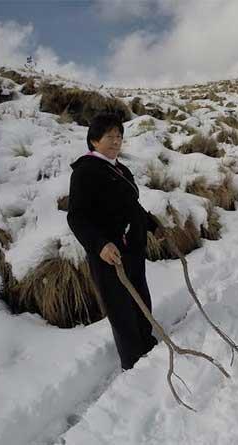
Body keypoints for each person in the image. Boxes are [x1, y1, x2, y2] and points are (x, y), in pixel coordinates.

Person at [67, 113, 162, 370]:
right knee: (120, 309)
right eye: (109, 136)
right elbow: (76, 217)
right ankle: (133, 362)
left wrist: (152, 225)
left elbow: (131, 206)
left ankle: (148, 346)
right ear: (94, 140)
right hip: (109, 255)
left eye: (119, 136)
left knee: (140, 298)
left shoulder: (120, 169)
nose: (116, 141)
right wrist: (100, 245)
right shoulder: (86, 171)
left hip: (132, 248)